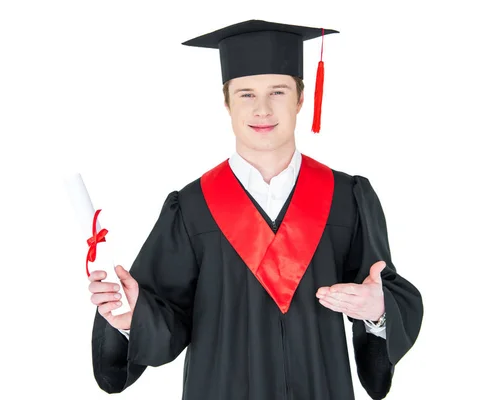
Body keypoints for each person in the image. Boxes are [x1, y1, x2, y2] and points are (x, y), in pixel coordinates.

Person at [87, 19, 423, 400]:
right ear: (227, 102)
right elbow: (167, 317)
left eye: (277, 91)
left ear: (300, 99)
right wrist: (132, 320)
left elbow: (384, 290)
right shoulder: (193, 206)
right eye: (246, 94)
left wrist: (378, 312)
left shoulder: (346, 197)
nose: (262, 109)